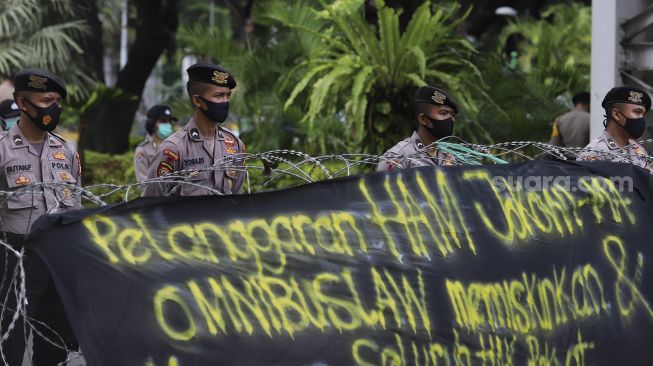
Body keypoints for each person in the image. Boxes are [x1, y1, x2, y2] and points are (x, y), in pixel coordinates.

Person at [0, 68, 81, 365]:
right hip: (18, 255)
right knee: (12, 341)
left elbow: (76, 204)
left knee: (54, 341)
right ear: (23, 104)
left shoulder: (66, 151)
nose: (54, 108)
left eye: (58, 101)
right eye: (47, 100)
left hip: (58, 256)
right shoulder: (3, 151)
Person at [143, 62, 246, 196]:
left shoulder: (234, 145)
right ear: (198, 101)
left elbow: (238, 200)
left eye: (228, 95)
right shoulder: (173, 149)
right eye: (218, 95)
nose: (225, 101)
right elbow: (151, 205)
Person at [377, 86, 457, 171]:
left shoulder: (448, 157)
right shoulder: (398, 157)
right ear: (423, 119)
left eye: (452, 115)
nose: (450, 120)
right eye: (443, 113)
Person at [577, 86, 652, 171]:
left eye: (643, 114)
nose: (641, 118)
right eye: (637, 112)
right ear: (616, 114)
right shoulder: (594, 153)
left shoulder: (638, 149)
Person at [134, 105, 176, 183]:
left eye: (169, 121)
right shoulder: (143, 150)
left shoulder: (177, 147)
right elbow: (143, 182)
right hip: (153, 194)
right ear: (152, 124)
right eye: (163, 121)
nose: (168, 125)